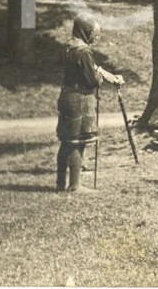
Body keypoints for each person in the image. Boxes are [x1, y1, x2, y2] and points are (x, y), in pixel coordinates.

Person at [57, 14, 124, 193]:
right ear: (86, 31)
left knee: (66, 141)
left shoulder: (69, 47)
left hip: (66, 96)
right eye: (94, 33)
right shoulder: (84, 51)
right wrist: (101, 78)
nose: (96, 37)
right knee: (77, 141)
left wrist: (104, 74)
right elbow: (93, 80)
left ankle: (60, 183)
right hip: (80, 100)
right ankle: (75, 185)